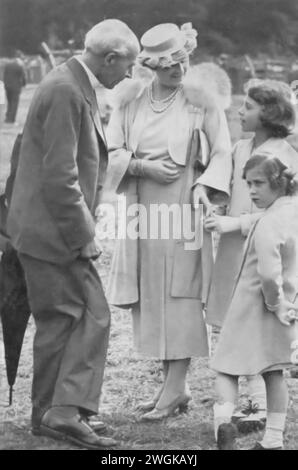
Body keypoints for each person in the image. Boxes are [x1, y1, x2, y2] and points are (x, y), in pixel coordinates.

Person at [7, 19, 140, 449]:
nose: (130, 76)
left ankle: (47, 412)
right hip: (54, 232)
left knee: (60, 321)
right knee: (92, 313)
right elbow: (60, 175)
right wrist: (83, 234)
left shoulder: (65, 82)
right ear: (111, 57)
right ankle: (65, 412)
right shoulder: (65, 89)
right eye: (129, 66)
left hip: (38, 229)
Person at [106, 23, 232, 420]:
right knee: (152, 294)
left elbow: (224, 152)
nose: (179, 70)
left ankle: (175, 389)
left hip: (183, 209)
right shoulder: (131, 100)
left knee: (181, 293)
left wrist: (205, 187)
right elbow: (110, 150)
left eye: (183, 61)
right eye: (169, 65)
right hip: (142, 209)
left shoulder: (201, 101)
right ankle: (172, 387)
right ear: (151, 66)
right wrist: (142, 167)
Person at [205, 80, 298, 433]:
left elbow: (283, 214)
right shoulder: (241, 147)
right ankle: (250, 402)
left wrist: (234, 223)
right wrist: (212, 197)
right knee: (235, 321)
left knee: (260, 325)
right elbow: (225, 179)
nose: (239, 112)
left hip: (265, 252)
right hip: (235, 252)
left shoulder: (285, 155)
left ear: (270, 113)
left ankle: (258, 404)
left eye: (248, 106)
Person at [3, 50, 26, 124]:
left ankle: (7, 118)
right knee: (14, 103)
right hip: (16, 87)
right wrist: (24, 84)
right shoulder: (20, 65)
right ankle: (11, 120)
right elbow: (23, 76)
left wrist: (5, 84)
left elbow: (4, 75)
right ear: (19, 57)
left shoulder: (8, 64)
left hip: (7, 86)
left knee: (9, 102)